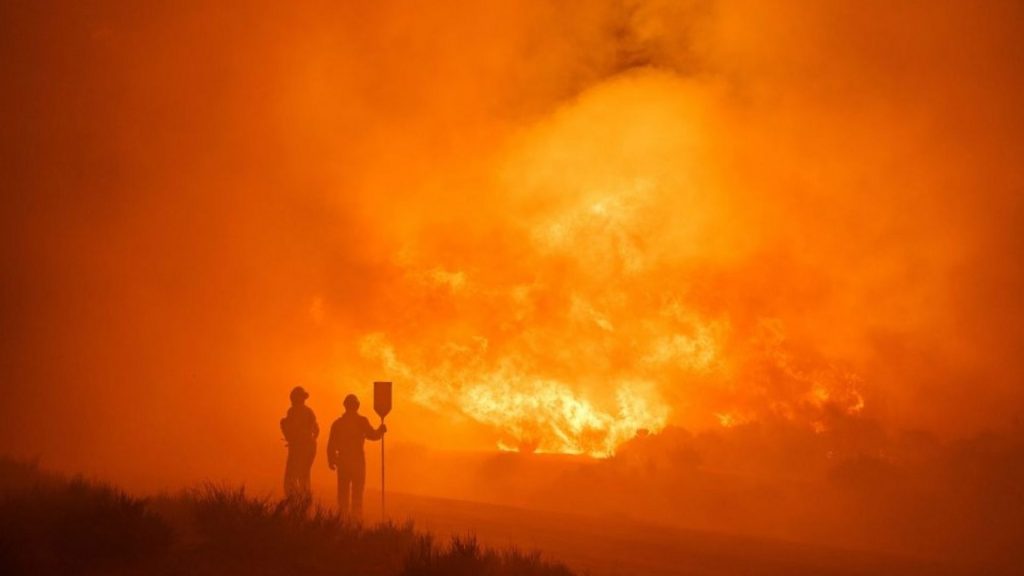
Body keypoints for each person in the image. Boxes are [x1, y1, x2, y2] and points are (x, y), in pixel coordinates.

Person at [327, 394, 386, 518]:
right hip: (357, 462)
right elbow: (373, 436)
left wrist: (331, 460)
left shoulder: (338, 423)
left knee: (343, 493)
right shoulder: (361, 421)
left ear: (345, 406)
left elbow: (331, 444)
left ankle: (342, 519)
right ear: (357, 406)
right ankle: (356, 520)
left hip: (343, 461)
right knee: (357, 493)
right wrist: (381, 431)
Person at [280, 386, 319, 500]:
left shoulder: (293, 411)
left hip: (299, 447)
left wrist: (292, 437)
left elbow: (292, 429)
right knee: (304, 476)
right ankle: (304, 502)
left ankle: (294, 502)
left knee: (290, 478)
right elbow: (316, 430)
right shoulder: (309, 411)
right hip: (310, 447)